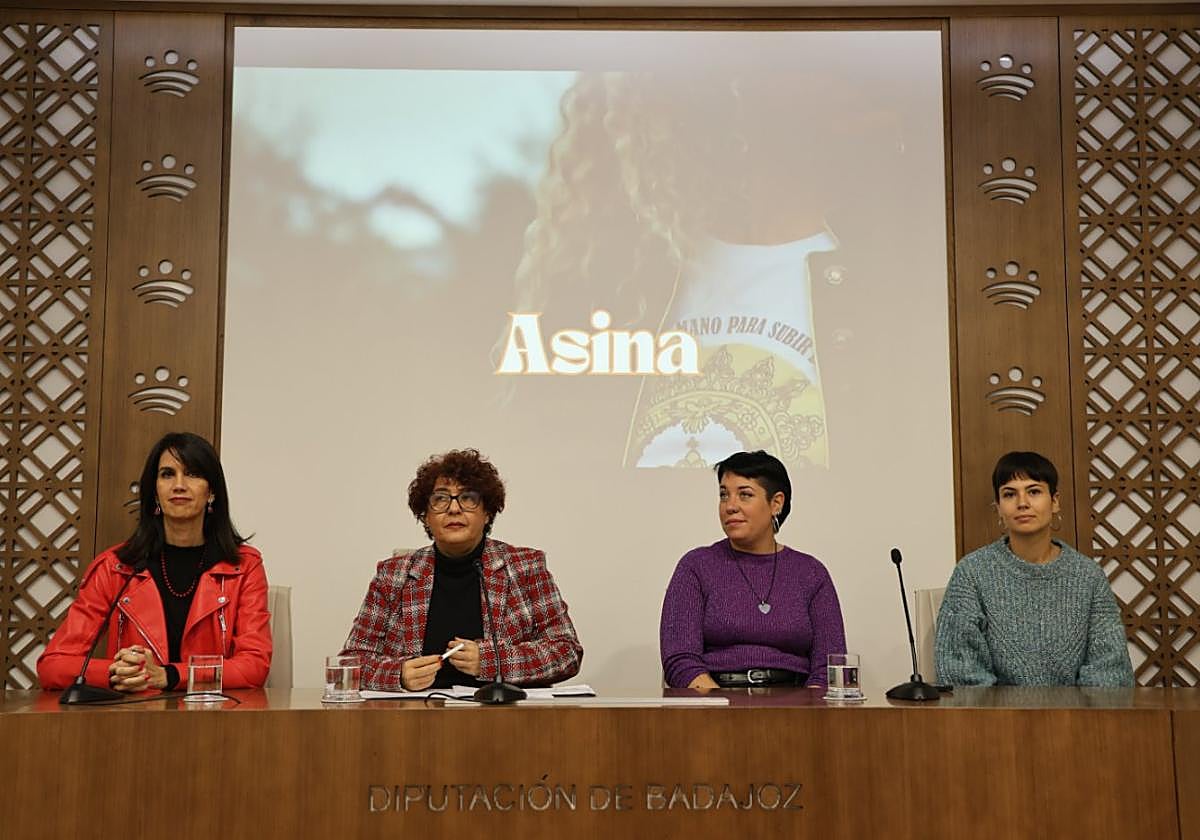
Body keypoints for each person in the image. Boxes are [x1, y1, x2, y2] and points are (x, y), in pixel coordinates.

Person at [38, 432, 272, 692]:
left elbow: (254, 666)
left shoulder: (242, 567)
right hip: (131, 721)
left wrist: (168, 676)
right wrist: (119, 672)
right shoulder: (117, 567)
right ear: (155, 492)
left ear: (212, 492)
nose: (179, 485)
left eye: (193, 474)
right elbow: (53, 666)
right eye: (167, 474)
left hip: (213, 720)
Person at [341, 448, 582, 690]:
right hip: (416, 720)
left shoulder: (525, 567)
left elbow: (567, 652)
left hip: (504, 720)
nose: (454, 509)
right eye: (440, 499)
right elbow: (349, 665)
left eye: (467, 498)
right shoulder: (394, 575)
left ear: (487, 512)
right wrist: (398, 675)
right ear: (425, 516)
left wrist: (492, 661)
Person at [934, 451, 1134, 687]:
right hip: (995, 721)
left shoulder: (1088, 575)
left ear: (1055, 501)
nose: (1022, 503)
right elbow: (961, 672)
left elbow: (1110, 671)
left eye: (1034, 491)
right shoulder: (972, 573)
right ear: (998, 507)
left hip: (1078, 719)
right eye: (1009, 494)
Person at [660, 450, 846, 689]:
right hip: (715, 704)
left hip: (798, 708)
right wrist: (724, 710)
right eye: (724, 495)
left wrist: (804, 715)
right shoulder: (696, 566)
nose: (730, 506)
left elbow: (829, 667)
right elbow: (681, 660)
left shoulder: (811, 573)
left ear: (776, 503)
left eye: (745, 495)